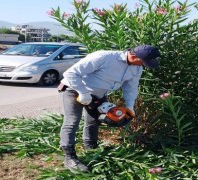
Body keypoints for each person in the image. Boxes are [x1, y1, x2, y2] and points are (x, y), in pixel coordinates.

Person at [58, 44, 160, 172]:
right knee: (72, 121)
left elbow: (131, 88)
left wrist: (130, 106)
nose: (144, 65)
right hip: (74, 89)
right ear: (133, 56)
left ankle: (91, 147)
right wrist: (83, 92)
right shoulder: (104, 57)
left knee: (94, 121)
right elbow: (71, 73)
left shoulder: (136, 68)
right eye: (144, 62)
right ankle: (70, 157)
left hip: (98, 94)